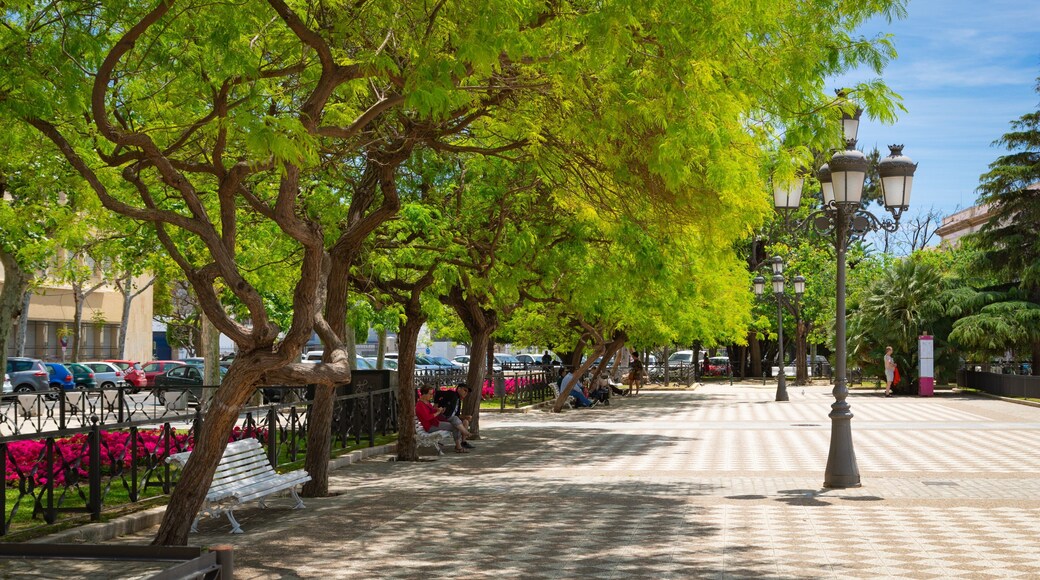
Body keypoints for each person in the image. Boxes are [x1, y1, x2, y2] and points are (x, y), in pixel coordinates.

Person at [415, 385, 466, 453]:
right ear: (424, 394)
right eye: (430, 394)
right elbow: (427, 417)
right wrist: (438, 412)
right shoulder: (420, 405)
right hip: (430, 426)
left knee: (455, 423)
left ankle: (458, 445)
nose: (431, 396)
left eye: (432, 394)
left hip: (434, 423)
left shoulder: (426, 402)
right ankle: (458, 447)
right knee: (455, 426)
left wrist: (439, 410)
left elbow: (432, 411)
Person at [435, 383, 475, 449]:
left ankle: (463, 442)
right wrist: (436, 404)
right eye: (465, 390)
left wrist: (465, 417)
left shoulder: (458, 401)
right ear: (459, 389)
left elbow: (457, 415)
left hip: (452, 418)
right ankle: (465, 433)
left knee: (465, 421)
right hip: (444, 417)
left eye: (467, 392)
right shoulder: (452, 394)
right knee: (456, 421)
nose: (466, 393)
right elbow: (438, 393)